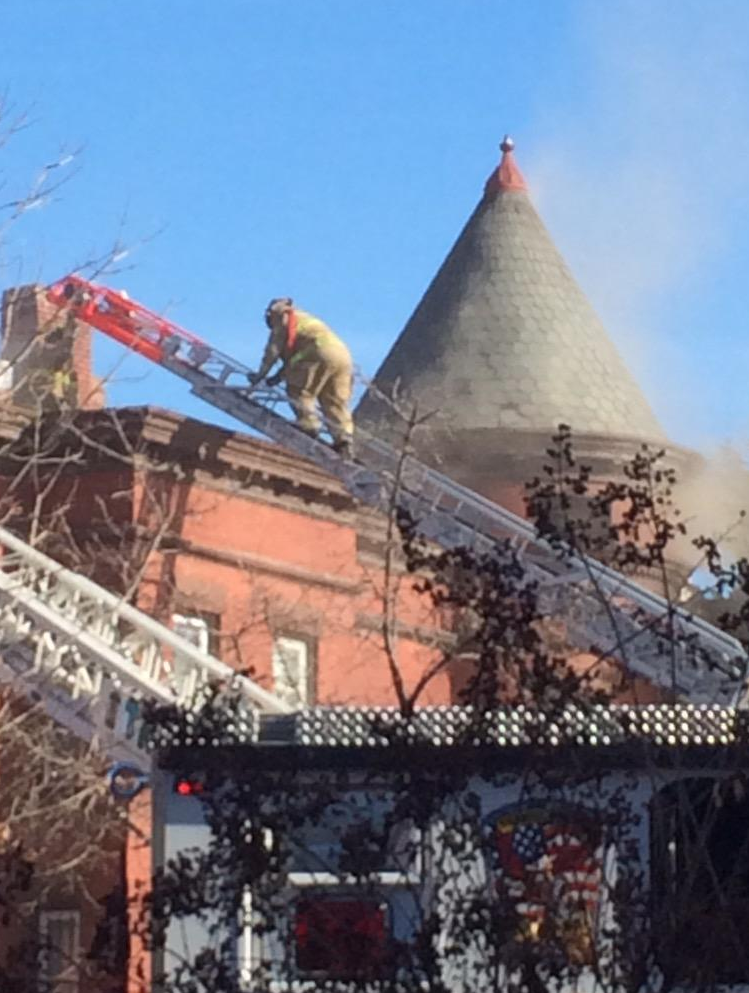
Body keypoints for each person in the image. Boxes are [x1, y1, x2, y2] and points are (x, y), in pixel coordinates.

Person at [249, 298, 354, 457]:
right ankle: (344, 440)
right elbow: (293, 362)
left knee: (299, 391)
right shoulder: (304, 320)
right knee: (333, 401)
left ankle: (308, 426)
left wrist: (259, 376)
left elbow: (272, 352)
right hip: (343, 356)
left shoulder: (282, 319)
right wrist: (276, 378)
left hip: (317, 352)